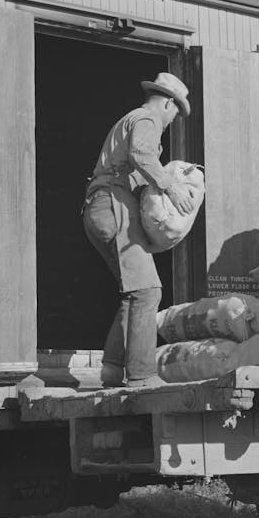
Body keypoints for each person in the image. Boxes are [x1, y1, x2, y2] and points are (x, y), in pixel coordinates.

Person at [83, 73, 195, 388]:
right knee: (148, 291)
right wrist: (170, 185)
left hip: (101, 206)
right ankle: (143, 374)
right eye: (176, 112)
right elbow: (142, 155)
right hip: (114, 202)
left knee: (134, 291)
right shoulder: (147, 119)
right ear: (169, 103)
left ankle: (112, 368)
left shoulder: (130, 119)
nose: (174, 119)